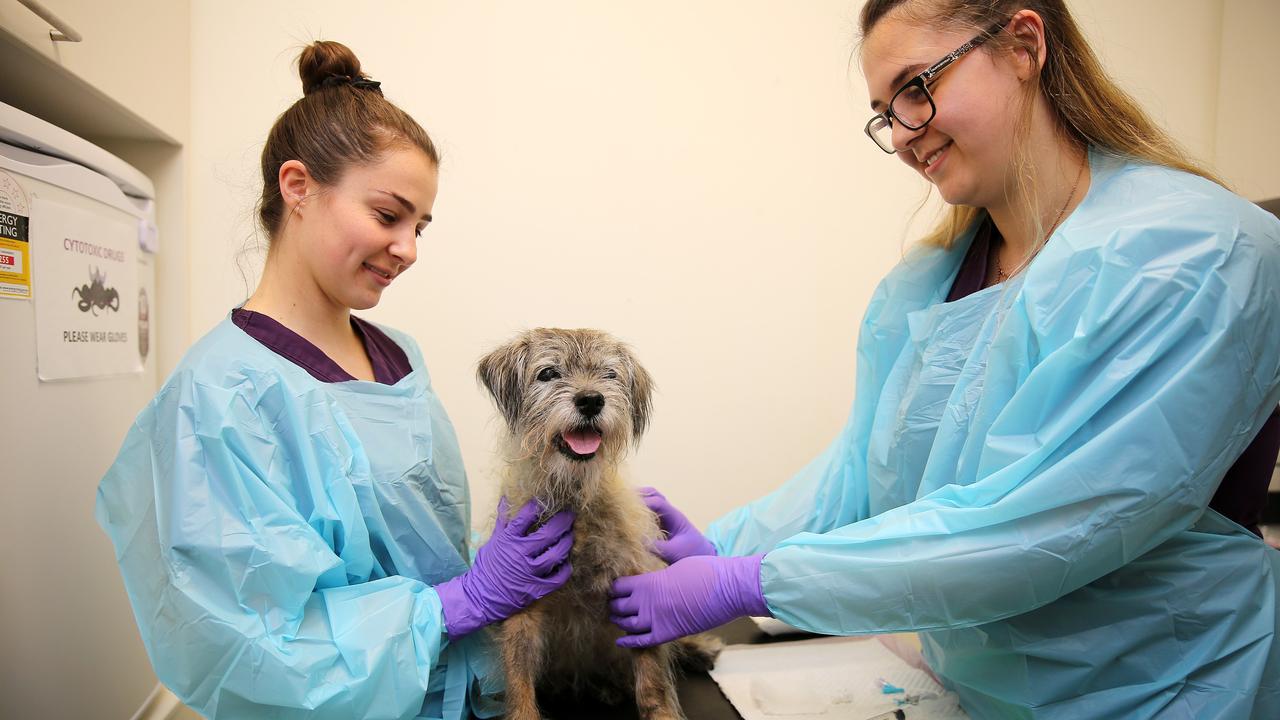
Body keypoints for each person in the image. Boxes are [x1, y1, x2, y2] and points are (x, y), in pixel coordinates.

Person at [608, 2, 1280, 718]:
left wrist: (753, 580)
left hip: (1164, 691)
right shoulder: (930, 284)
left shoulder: (1194, 255)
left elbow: (1042, 527)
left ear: (1024, 45)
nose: (900, 132)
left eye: (915, 87)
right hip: (977, 693)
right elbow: (858, 476)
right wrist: (721, 546)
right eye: (883, 112)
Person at [95, 41, 575, 720]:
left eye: (420, 225)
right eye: (388, 216)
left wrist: (493, 564)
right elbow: (248, 649)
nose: (408, 248)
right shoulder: (217, 398)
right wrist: (460, 602)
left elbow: (408, 552)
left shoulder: (397, 358)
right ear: (298, 187)